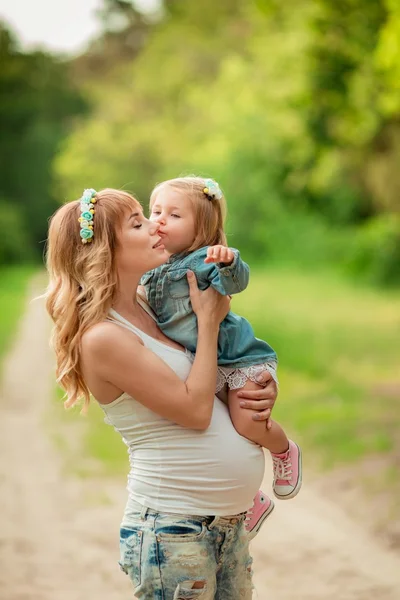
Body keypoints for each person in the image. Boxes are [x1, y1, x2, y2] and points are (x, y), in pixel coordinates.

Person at [45, 187, 278, 600]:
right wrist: (208, 323)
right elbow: (193, 411)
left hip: (226, 522)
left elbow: (210, 375)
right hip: (174, 526)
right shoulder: (102, 337)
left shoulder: (151, 305)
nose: (156, 226)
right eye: (138, 223)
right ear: (104, 250)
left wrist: (256, 386)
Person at [142, 176, 302, 538]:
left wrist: (227, 262)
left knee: (247, 423)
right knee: (222, 430)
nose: (160, 220)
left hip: (238, 358)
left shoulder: (204, 259)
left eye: (174, 214)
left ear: (202, 229)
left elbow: (234, 283)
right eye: (155, 211)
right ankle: (252, 500)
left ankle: (283, 450)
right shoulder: (152, 266)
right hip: (206, 363)